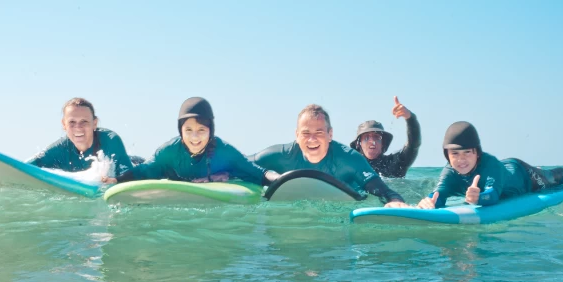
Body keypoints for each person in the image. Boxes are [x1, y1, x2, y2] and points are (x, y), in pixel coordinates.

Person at [250, 104, 408, 206]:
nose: (312, 139)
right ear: (297, 135)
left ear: (330, 134)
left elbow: (384, 191)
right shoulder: (282, 154)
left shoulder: (350, 159)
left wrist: (395, 201)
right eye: (306, 133)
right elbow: (243, 163)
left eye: (319, 132)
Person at [102, 97, 278, 186]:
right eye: (188, 130)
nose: (195, 137)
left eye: (201, 130)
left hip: (211, 176)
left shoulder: (224, 151)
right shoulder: (169, 151)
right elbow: (143, 171)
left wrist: (279, 179)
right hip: (166, 172)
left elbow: (257, 172)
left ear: (211, 131)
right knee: (139, 162)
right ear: (180, 131)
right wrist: (116, 180)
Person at [418, 121, 563, 209]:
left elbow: (493, 195)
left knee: (552, 178)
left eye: (467, 152)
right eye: (455, 154)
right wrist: (430, 201)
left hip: (522, 175)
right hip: (504, 171)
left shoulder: (490, 164)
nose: (461, 160)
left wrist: (478, 198)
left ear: (477, 152)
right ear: (447, 155)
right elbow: (440, 193)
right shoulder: (449, 171)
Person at [29, 97, 134, 177]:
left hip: (134, 163)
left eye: (84, 121)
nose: (78, 127)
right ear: (64, 125)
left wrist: (115, 181)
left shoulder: (110, 140)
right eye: (72, 122)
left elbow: (129, 176)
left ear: (94, 123)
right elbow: (26, 168)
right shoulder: (60, 149)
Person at [349, 96, 421, 177]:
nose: (372, 141)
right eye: (366, 137)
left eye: (376, 137)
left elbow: (413, 145)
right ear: (359, 143)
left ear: (383, 143)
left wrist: (410, 118)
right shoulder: (350, 167)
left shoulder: (395, 164)